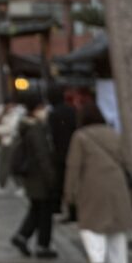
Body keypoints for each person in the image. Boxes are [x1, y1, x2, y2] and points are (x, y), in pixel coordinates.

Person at [64, 103, 132, 263]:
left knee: (90, 224)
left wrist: (69, 192)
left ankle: (97, 260)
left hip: (92, 184)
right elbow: (126, 159)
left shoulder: (80, 136)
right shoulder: (113, 133)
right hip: (117, 183)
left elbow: (74, 166)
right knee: (117, 227)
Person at [10, 93, 58, 259]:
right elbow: (42, 156)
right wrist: (51, 178)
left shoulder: (26, 126)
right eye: (42, 107)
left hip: (31, 176)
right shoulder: (36, 129)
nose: (45, 110)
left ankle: (22, 236)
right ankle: (42, 245)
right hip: (39, 177)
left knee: (37, 209)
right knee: (44, 211)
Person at [47, 84, 77, 217]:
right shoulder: (72, 111)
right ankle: (73, 210)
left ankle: (57, 207)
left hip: (59, 152)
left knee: (59, 181)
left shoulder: (53, 114)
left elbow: (51, 135)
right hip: (72, 149)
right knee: (72, 181)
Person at [0, 98, 25, 193]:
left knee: (11, 165)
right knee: (3, 164)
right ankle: (2, 185)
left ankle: (20, 186)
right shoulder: (1, 111)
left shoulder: (17, 113)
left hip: (12, 142)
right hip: (4, 142)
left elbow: (10, 129)